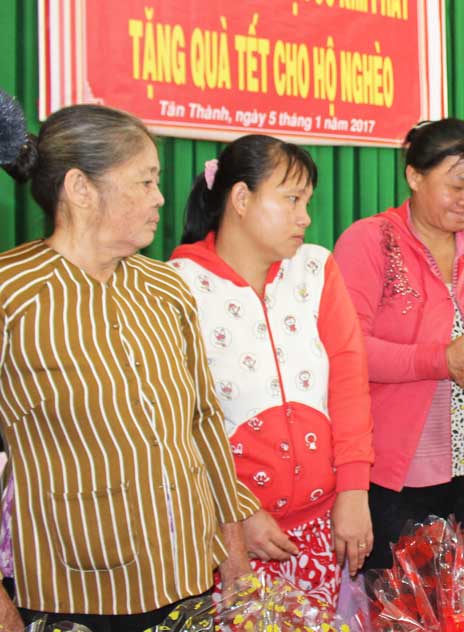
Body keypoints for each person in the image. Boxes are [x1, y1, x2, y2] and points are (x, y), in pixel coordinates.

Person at [0, 104, 260, 631]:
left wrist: (233, 546)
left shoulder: (165, 288)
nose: (160, 197)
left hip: (186, 576)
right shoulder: (13, 296)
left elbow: (203, 420)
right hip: (70, 591)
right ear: (80, 188)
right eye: (145, 181)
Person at [169, 134, 374, 608]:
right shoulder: (179, 286)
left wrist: (354, 491)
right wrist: (236, 513)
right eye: (292, 199)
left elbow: (348, 384)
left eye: (307, 202)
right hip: (226, 532)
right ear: (241, 199)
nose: (305, 217)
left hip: (319, 524)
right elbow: (177, 424)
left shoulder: (315, 270)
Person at [335, 119, 464, 570]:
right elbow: (349, 351)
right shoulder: (371, 240)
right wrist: (440, 361)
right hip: (397, 474)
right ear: (414, 175)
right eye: (457, 186)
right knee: (406, 602)